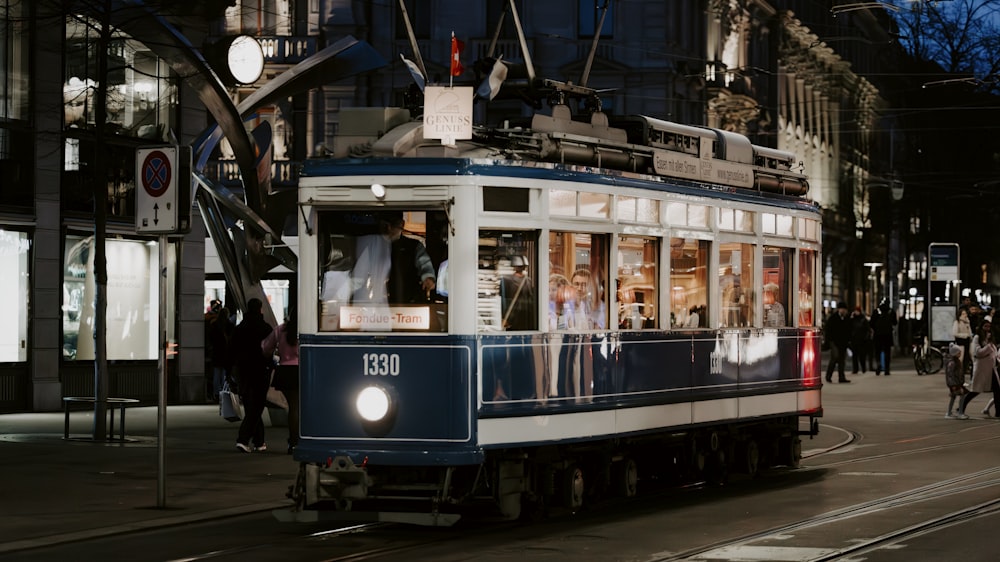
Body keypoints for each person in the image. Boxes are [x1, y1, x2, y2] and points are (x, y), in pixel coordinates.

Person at [231, 298, 275, 453]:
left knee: (251, 406)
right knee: (257, 406)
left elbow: (232, 350)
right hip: (260, 370)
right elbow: (270, 350)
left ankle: (259, 441)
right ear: (260, 309)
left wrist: (230, 371)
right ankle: (243, 439)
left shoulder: (240, 328)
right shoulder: (266, 328)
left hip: (243, 371)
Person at [262, 305, 299, 454]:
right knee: (300, 408)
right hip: (302, 370)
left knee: (293, 407)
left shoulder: (280, 329)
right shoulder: (306, 329)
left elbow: (265, 348)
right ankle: (299, 439)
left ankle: (293, 441)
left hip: (285, 371)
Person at [384, 212, 436, 304]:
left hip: (409, 301)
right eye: (385, 225)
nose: (389, 229)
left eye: (393, 225)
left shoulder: (414, 246)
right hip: (380, 301)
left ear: (402, 224)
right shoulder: (375, 245)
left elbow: (424, 264)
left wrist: (428, 277)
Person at [956, 316, 998, 420]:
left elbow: (994, 352)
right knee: (975, 390)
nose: (987, 329)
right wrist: (988, 347)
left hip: (991, 368)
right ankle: (961, 408)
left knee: (997, 390)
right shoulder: (977, 338)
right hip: (982, 369)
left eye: (989, 327)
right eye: (985, 326)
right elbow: (978, 353)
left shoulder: (990, 339)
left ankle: (998, 412)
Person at [208, 306, 234, 402]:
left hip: (216, 352)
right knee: (224, 374)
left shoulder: (214, 325)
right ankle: (224, 393)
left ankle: (216, 393)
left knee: (216, 373)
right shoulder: (230, 325)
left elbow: (211, 339)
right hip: (226, 353)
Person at [824, 301, 852, 383]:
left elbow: (849, 330)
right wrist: (829, 341)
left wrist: (849, 340)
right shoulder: (833, 318)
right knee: (835, 357)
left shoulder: (847, 318)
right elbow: (828, 330)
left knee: (842, 360)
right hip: (834, 341)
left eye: (844, 309)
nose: (843, 311)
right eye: (841, 309)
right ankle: (828, 375)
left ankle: (841, 377)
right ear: (839, 309)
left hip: (843, 342)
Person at [871, 299, 897, 376]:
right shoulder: (891, 311)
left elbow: (871, 323)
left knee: (877, 351)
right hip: (888, 335)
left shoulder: (876, 311)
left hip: (878, 335)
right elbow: (895, 322)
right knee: (887, 352)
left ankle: (878, 364)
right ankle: (887, 369)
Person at [944, 342, 966, 418]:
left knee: (954, 397)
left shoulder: (956, 361)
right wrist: (953, 384)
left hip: (956, 383)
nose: (960, 354)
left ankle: (949, 412)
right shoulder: (953, 363)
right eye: (959, 353)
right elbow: (950, 375)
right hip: (954, 383)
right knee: (962, 395)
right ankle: (959, 413)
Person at [849, 306, 871, 374]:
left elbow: (868, 330)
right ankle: (855, 369)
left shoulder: (863, 319)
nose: (856, 312)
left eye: (857, 311)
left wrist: (865, 338)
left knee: (862, 356)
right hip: (854, 340)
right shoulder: (852, 319)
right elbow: (849, 328)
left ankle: (863, 368)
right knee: (855, 356)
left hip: (862, 341)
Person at [953, 307, 972, 373]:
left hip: (967, 341)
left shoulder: (967, 322)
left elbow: (969, 331)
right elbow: (955, 333)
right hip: (961, 341)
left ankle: (964, 369)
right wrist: (964, 335)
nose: (965, 315)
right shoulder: (957, 322)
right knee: (961, 356)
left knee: (966, 356)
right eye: (963, 314)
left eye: (965, 313)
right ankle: (960, 370)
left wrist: (970, 336)